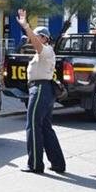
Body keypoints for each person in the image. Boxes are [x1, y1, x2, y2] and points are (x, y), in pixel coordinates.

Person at [16, 9, 65, 174]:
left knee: (33, 126)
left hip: (41, 89)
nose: (33, 40)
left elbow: (37, 45)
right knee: (45, 127)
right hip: (42, 90)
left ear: (44, 38)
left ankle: (35, 164)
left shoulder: (46, 50)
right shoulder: (43, 52)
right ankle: (58, 163)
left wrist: (26, 26)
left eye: (37, 37)